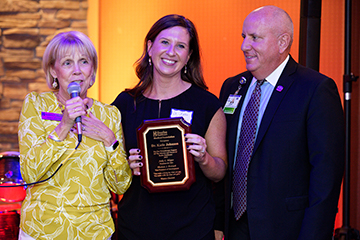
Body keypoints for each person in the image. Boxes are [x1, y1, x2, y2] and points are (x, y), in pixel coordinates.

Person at [217, 5, 345, 240]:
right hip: (234, 227)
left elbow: (326, 175)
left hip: (287, 229)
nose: (245, 46)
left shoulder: (315, 89)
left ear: (283, 42)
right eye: (244, 37)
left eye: (255, 38)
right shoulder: (232, 87)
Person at [111, 14, 227, 240]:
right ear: (150, 46)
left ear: (189, 56)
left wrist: (203, 158)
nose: (171, 52)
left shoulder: (206, 104)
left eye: (181, 46)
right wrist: (126, 165)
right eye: (165, 42)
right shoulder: (125, 104)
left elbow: (219, 172)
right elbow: (108, 166)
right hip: (134, 229)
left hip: (191, 229)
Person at [18, 31, 132, 240]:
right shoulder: (36, 105)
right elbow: (29, 172)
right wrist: (63, 125)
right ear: (54, 70)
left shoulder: (109, 114)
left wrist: (110, 140)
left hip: (95, 232)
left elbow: (120, 184)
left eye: (84, 62)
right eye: (68, 63)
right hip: (43, 230)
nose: (77, 71)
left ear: (93, 70)